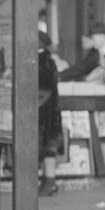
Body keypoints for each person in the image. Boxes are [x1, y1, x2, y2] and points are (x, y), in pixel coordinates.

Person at [38, 28, 65, 195]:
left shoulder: (42, 61)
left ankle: (49, 182)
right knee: (48, 148)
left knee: (47, 148)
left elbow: (45, 83)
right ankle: (48, 181)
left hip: (44, 111)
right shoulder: (48, 60)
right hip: (49, 111)